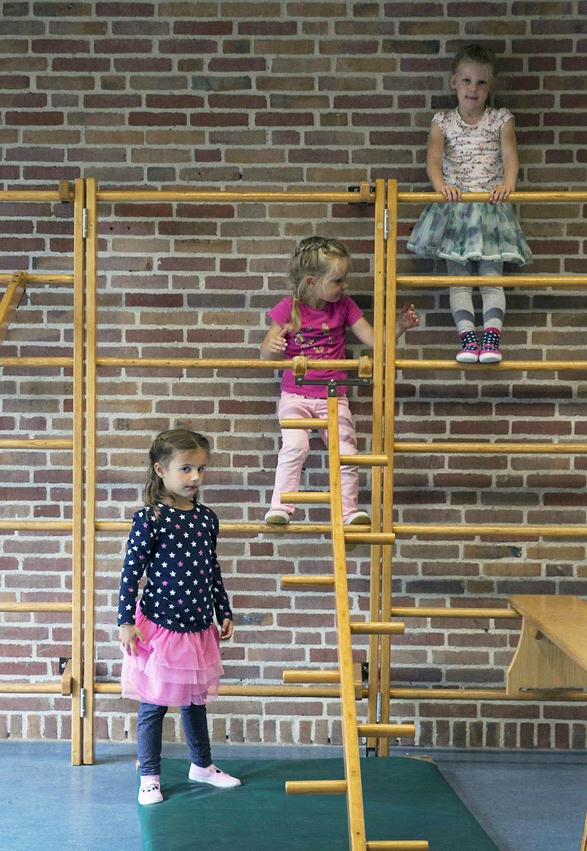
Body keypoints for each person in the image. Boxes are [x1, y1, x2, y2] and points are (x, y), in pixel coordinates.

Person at [117, 428, 240, 805]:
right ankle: (149, 775)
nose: (195, 478)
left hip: (197, 626)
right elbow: (130, 571)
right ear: (160, 470)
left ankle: (201, 764)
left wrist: (223, 609)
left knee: (194, 701)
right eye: (186, 469)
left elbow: (211, 567)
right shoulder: (150, 518)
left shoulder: (206, 519)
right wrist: (125, 620)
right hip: (160, 627)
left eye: (200, 469)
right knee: (153, 703)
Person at [259, 236, 417, 527]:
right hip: (296, 395)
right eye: (338, 281)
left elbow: (373, 341)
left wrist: (398, 326)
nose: (344, 286)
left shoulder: (344, 306)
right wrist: (272, 345)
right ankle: (281, 507)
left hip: (333, 395)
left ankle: (348, 513)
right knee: (295, 446)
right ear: (311, 281)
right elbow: (266, 353)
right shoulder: (288, 308)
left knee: (346, 450)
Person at [406, 43, 532, 364]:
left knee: (490, 277)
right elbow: (433, 158)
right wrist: (441, 186)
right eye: (466, 81)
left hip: (489, 207)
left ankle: (491, 338)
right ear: (453, 83)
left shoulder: (501, 119)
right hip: (455, 208)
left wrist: (508, 184)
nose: (472, 89)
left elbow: (510, 155)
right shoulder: (443, 121)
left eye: (480, 82)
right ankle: (467, 337)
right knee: (459, 279)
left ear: (491, 87)